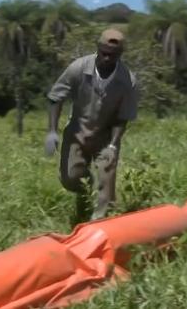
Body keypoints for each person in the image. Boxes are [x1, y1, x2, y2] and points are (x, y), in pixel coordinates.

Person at [44, 28, 139, 225]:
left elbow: (123, 117)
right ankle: (87, 190)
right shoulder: (78, 68)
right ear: (97, 48)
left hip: (106, 135)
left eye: (112, 55)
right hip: (77, 131)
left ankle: (101, 228)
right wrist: (52, 131)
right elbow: (55, 98)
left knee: (106, 191)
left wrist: (113, 146)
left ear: (120, 55)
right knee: (71, 178)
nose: (106, 58)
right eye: (103, 53)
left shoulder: (127, 80)